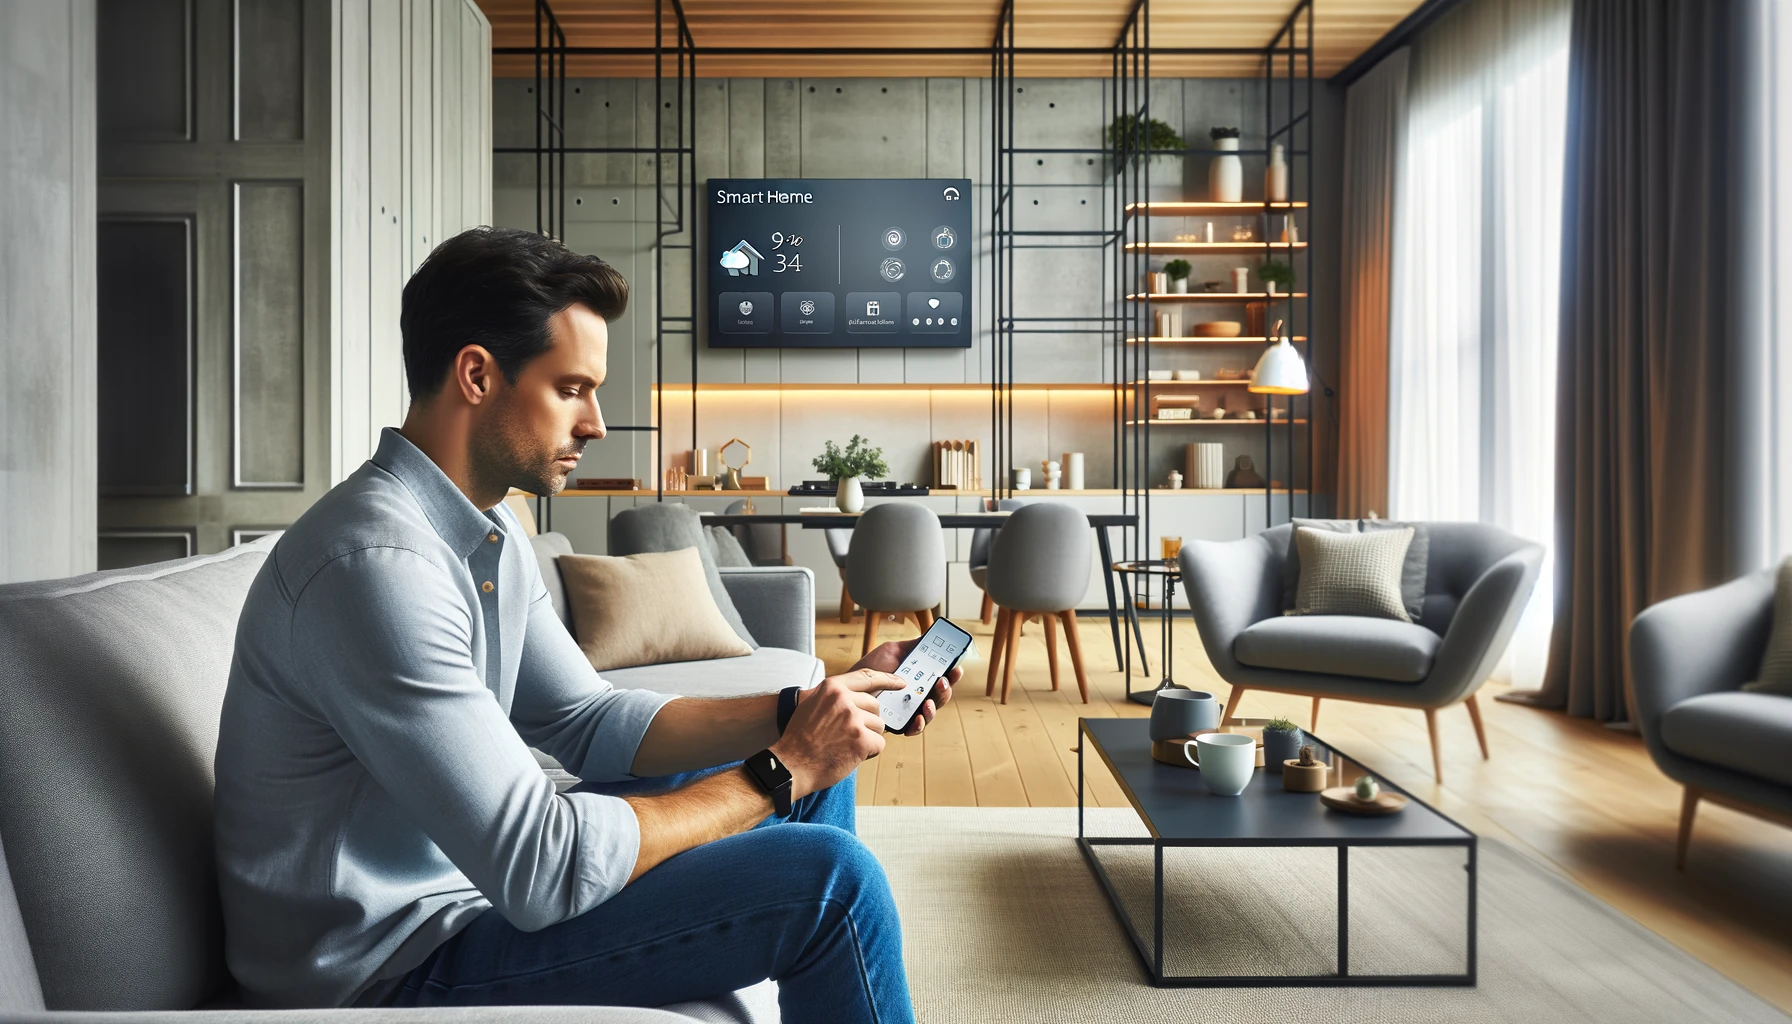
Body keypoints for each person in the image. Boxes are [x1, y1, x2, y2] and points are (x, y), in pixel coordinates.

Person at [213, 226, 955, 1023]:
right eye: (572, 389)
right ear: (476, 375)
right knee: (833, 882)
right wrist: (779, 766)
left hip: (467, 895)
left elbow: (584, 717)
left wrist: (799, 713)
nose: (597, 423)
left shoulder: (483, 528)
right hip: (389, 964)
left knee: (815, 783)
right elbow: (541, 867)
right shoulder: (374, 569)